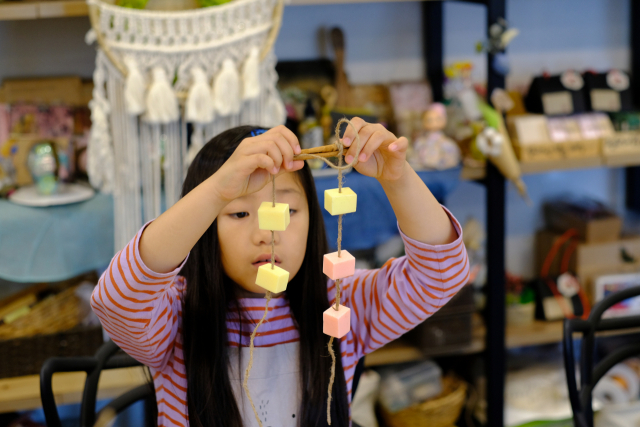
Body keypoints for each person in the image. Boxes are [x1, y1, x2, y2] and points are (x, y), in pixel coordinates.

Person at [91, 118, 469, 427]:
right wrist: (216, 191)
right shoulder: (175, 317)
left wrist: (398, 177)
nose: (267, 234)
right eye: (238, 213)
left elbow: (442, 274)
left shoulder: (341, 302)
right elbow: (115, 301)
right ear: (205, 227)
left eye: (287, 212)